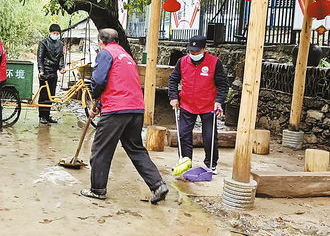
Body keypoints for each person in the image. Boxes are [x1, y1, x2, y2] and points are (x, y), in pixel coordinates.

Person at [80, 28, 168, 204]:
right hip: (135, 109)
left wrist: (95, 97)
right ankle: (158, 185)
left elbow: (99, 80)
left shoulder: (106, 53)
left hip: (116, 110)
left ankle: (97, 189)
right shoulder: (127, 56)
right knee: (136, 148)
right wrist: (101, 105)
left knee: (101, 149)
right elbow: (119, 82)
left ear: (101, 42)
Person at [168, 35, 230, 175]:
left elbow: (223, 84)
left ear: (205, 49)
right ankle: (185, 162)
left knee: (209, 137)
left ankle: (211, 164)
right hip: (187, 105)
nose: (194, 54)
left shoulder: (214, 62)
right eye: (192, 51)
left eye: (197, 51)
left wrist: (219, 101)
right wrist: (173, 97)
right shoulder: (182, 61)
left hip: (208, 106)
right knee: (183, 135)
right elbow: (173, 80)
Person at [37, 23, 66, 124]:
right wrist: (41, 71)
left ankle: (47, 115)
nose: (55, 35)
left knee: (51, 95)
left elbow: (61, 57)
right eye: (54, 33)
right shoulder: (43, 43)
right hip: (45, 72)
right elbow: (40, 58)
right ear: (50, 33)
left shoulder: (60, 44)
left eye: (57, 33)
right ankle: (42, 116)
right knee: (43, 94)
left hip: (54, 72)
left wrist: (61, 67)